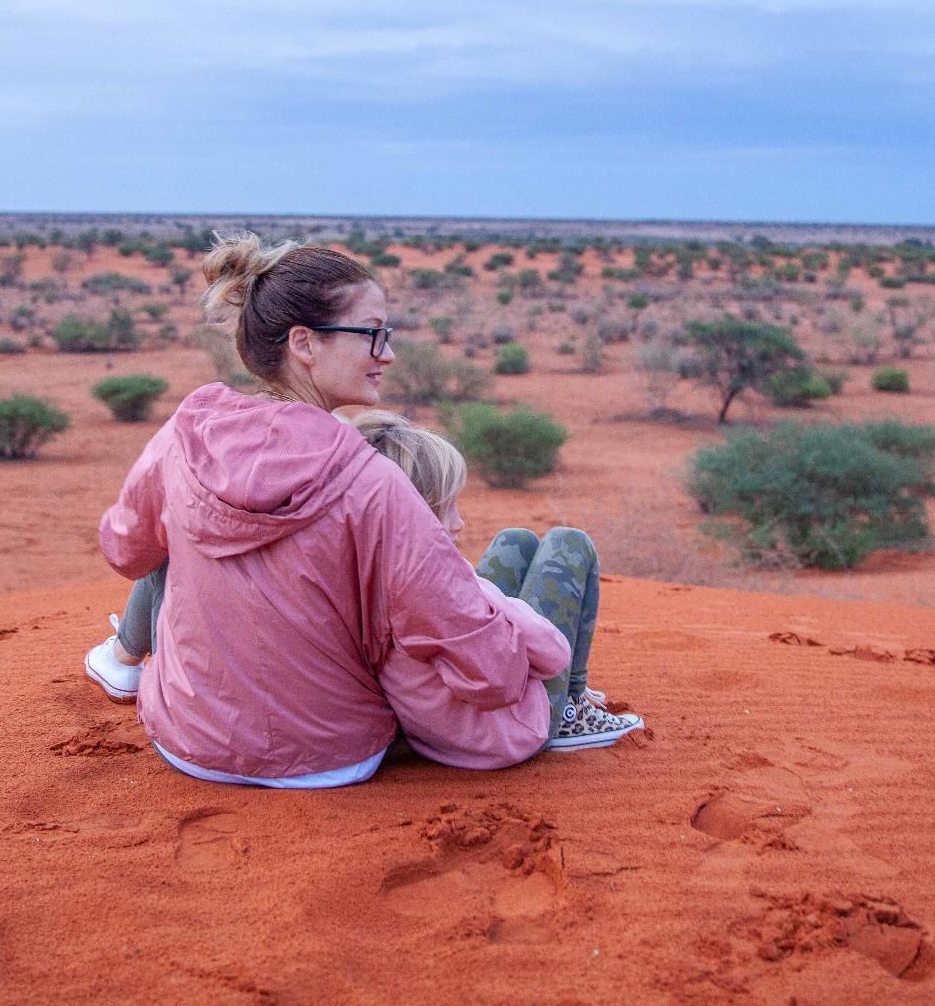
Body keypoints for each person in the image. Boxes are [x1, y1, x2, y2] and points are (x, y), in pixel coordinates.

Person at [91, 232, 632, 788]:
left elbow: (125, 551)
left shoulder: (184, 438)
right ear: (304, 343)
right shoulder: (372, 481)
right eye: (373, 335)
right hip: (331, 759)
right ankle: (573, 710)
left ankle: (120, 664)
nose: (388, 353)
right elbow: (485, 669)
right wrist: (518, 632)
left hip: (186, 742)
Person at [350, 410, 643, 762]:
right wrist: (501, 605)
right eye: (447, 509)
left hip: (432, 730)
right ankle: (570, 708)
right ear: (418, 511)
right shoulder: (439, 585)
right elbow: (553, 654)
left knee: (515, 541)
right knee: (570, 543)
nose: (460, 522)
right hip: (502, 735)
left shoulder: (367, 567)